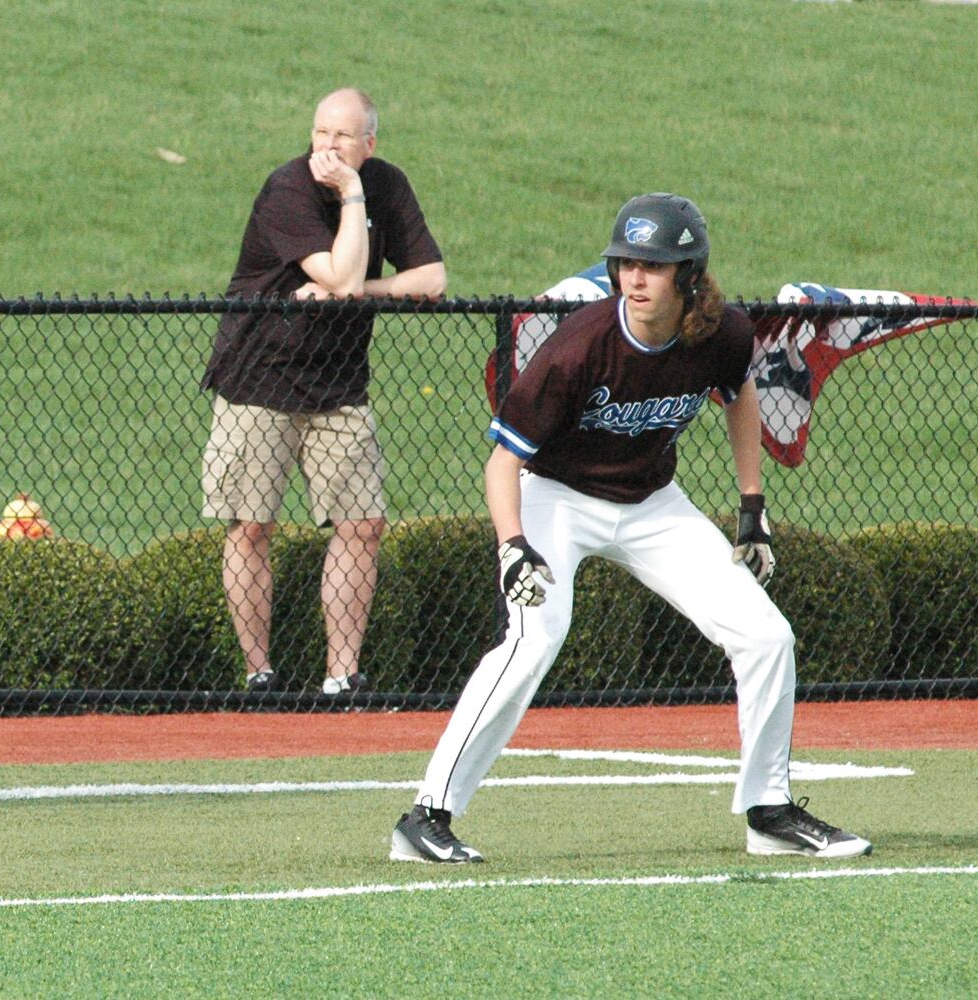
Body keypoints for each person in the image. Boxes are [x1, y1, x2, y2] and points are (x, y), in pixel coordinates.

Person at [389, 193, 871, 862]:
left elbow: (740, 394)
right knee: (532, 640)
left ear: (689, 274)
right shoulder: (579, 344)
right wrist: (512, 547)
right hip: (554, 498)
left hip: (651, 504)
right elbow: (502, 462)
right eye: (625, 264)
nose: (635, 279)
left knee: (765, 636)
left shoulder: (722, 333)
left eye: (653, 266)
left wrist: (751, 506)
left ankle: (767, 811)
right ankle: (425, 817)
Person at [201, 88, 446, 696]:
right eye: (319, 134)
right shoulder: (287, 189)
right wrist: (349, 209)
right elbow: (333, 273)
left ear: (369, 143)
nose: (327, 148)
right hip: (259, 374)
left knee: (363, 523)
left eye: (342, 137)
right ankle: (260, 675)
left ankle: (343, 678)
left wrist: (366, 280)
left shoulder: (385, 185)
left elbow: (433, 278)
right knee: (252, 526)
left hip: (338, 381)